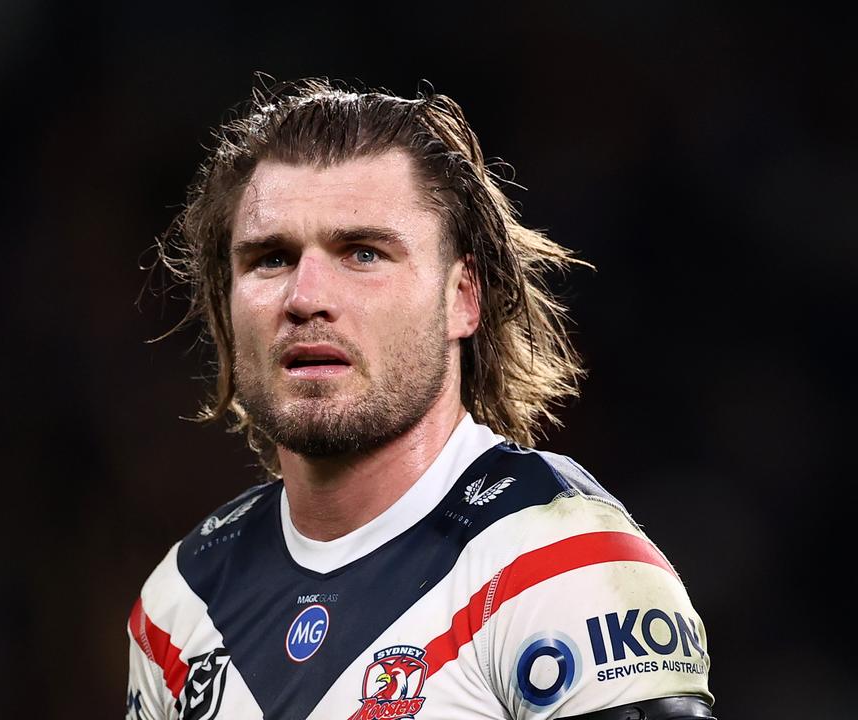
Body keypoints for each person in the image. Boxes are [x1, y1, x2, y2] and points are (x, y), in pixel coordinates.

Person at [126, 79, 714, 720]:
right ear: (225, 304)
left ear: (463, 299)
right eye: (270, 258)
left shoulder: (561, 568)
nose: (306, 297)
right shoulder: (180, 605)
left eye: (363, 253)